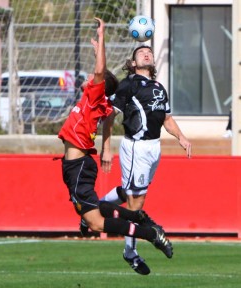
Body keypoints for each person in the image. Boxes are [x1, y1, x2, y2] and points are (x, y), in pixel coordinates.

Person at [58, 18, 173, 260]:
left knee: (97, 223)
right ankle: (137, 218)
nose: (89, 76)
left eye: (92, 77)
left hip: (78, 166)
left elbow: (101, 71)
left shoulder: (92, 97)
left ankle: (149, 234)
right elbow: (106, 90)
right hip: (76, 166)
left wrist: (101, 38)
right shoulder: (92, 101)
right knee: (96, 211)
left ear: (97, 85)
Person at [97, 45, 192, 275]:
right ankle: (130, 252)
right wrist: (107, 148)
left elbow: (166, 117)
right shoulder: (128, 84)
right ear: (132, 62)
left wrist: (181, 136)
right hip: (136, 147)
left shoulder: (159, 87)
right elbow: (110, 114)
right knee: (136, 203)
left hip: (153, 148)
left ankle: (97, 207)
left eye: (149, 51)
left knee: (130, 193)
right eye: (141, 52)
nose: (146, 53)